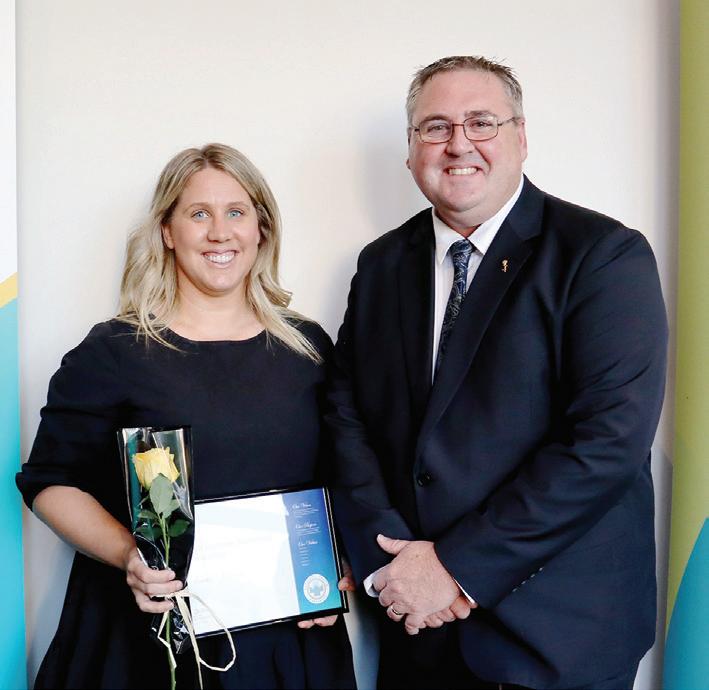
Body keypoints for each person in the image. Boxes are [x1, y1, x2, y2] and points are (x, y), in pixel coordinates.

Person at [327, 56, 667, 690]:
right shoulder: (380, 266)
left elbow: (607, 442)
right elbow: (347, 421)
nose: (458, 144)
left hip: (555, 639)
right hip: (416, 628)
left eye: (481, 122)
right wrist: (391, 566)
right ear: (411, 150)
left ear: (521, 136)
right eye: (435, 127)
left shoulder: (601, 255)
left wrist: (454, 568)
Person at [17, 143, 356, 690]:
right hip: (147, 639)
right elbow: (51, 483)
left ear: (261, 229)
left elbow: (345, 475)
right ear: (168, 232)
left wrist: (341, 558)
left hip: (284, 638)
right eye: (199, 214)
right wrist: (130, 556)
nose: (220, 233)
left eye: (236, 212)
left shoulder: (308, 348)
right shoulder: (114, 352)